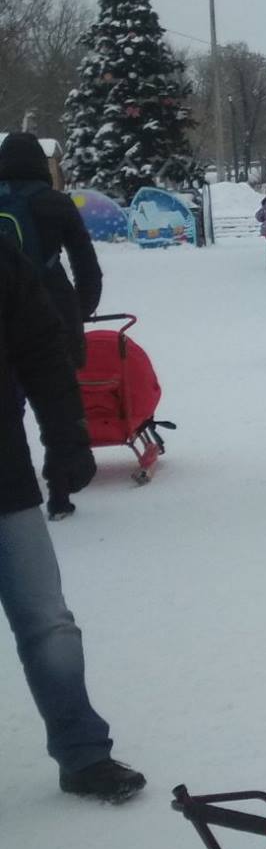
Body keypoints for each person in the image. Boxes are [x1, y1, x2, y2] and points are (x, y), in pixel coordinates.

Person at [0, 235, 145, 801]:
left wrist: (66, 437)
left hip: (5, 480)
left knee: (48, 622)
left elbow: (41, 348)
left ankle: (83, 755)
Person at [0, 131, 104, 521]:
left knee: (9, 405)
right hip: (52, 313)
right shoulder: (55, 203)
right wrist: (81, 310)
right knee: (56, 402)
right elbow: (85, 264)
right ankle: (59, 490)